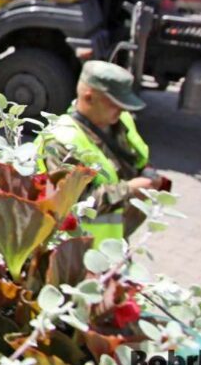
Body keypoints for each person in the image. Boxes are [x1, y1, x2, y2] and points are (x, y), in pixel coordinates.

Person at [34, 61, 169, 243]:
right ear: (89, 98)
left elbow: (136, 160)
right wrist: (129, 190)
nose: (122, 110)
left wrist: (148, 175)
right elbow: (73, 205)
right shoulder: (61, 141)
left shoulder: (120, 121)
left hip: (115, 243)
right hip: (77, 252)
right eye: (115, 104)